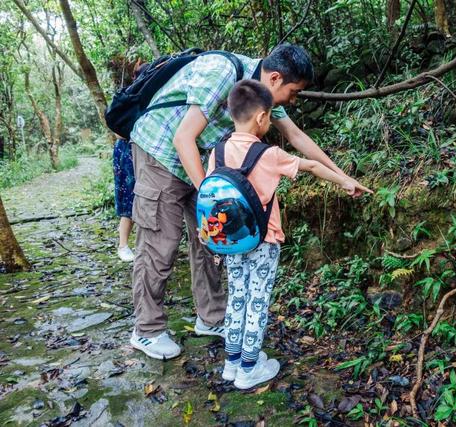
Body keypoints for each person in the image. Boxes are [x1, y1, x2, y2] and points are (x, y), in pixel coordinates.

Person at [128, 44, 370, 360]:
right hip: (160, 152)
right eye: (294, 92)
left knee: (211, 240)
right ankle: (146, 330)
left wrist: (344, 177)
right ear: (275, 77)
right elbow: (182, 138)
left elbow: (297, 138)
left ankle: (211, 318)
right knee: (161, 241)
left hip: (203, 162)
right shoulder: (223, 72)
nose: (293, 100)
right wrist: (211, 195)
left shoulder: (261, 94)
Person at [212, 80, 359, 389]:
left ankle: (232, 362)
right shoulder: (269, 154)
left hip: (232, 241)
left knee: (237, 296)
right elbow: (311, 167)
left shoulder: (218, 152)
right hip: (263, 240)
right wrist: (345, 182)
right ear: (262, 117)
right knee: (257, 301)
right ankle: (249, 368)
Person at [113, 61, 149, 262]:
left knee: (142, 198)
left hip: (141, 150)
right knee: (129, 198)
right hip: (127, 152)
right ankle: (123, 245)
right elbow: (118, 131)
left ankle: (139, 245)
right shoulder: (129, 97)